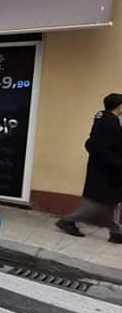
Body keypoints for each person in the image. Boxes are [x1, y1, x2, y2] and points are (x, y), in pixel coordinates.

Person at [56, 93, 122, 243]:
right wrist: (116, 163)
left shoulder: (103, 119)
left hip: (103, 168)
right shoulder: (110, 122)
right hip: (107, 171)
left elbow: (91, 143)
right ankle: (68, 221)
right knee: (97, 203)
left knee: (112, 202)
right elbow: (105, 146)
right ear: (119, 106)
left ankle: (116, 231)